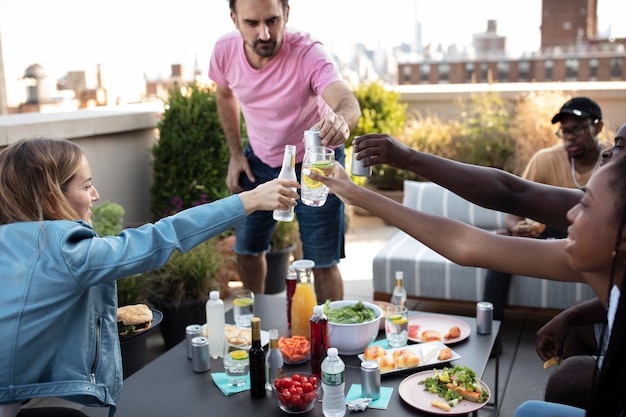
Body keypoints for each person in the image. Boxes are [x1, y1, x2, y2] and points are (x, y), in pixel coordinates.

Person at [311, 147, 626, 417]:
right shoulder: (592, 260)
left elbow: (502, 201)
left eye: (586, 204)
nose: (569, 214)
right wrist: (356, 194)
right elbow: (466, 244)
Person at [0, 138, 299, 417]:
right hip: (37, 398)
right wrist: (250, 200)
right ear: (52, 196)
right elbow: (162, 237)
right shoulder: (68, 253)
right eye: (87, 186)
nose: (96, 195)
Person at [208, 0, 361, 301]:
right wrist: (236, 153)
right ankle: (256, 327)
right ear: (234, 20)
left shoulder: (308, 52)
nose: (264, 33)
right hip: (260, 163)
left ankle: (333, 343)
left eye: (272, 20)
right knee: (247, 250)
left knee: (323, 262)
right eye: (252, 23)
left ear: (287, 13)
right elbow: (224, 93)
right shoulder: (224, 51)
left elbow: (347, 102)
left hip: (314, 164)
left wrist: (341, 120)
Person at [485, 97, 608, 322]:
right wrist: (517, 228)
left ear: (597, 127)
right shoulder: (544, 159)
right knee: (501, 241)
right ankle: (491, 328)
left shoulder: (613, 159)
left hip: (598, 238)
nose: (569, 137)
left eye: (578, 129)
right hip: (552, 232)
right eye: (564, 131)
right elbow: (515, 210)